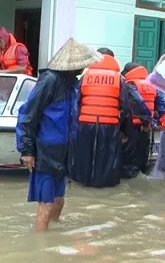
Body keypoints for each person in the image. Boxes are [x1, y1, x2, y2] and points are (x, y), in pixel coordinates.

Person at [16, 38, 103, 232]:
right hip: (45, 152)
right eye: (83, 65)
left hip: (63, 153)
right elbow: (27, 115)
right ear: (74, 65)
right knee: (45, 207)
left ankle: (52, 242)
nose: (84, 68)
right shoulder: (50, 81)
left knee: (59, 203)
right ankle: (39, 250)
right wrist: (27, 150)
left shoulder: (72, 84)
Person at [72, 51, 130, 188]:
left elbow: (75, 101)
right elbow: (126, 107)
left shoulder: (85, 76)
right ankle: (104, 186)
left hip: (85, 124)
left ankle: (83, 182)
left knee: (84, 156)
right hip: (109, 125)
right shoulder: (119, 78)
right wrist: (124, 130)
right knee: (107, 159)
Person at [121, 62, 165, 178]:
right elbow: (161, 106)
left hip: (132, 128)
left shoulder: (130, 84)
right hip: (147, 129)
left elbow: (137, 103)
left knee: (128, 164)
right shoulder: (152, 85)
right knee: (142, 162)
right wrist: (159, 123)